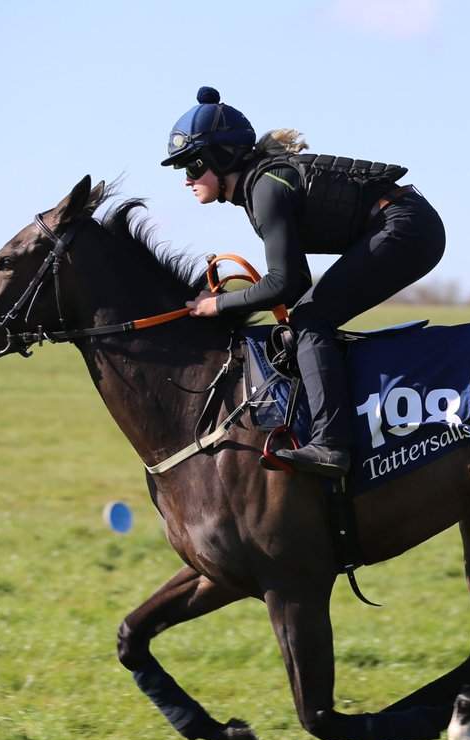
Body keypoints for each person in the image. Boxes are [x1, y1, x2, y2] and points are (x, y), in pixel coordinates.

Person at [162, 86, 446, 477]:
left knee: (311, 319)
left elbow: (285, 284)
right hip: (405, 222)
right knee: (311, 313)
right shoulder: (260, 185)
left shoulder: (265, 189)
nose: (186, 180)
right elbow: (292, 279)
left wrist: (219, 304)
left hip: (407, 227)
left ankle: (331, 446)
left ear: (221, 157)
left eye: (192, 167)